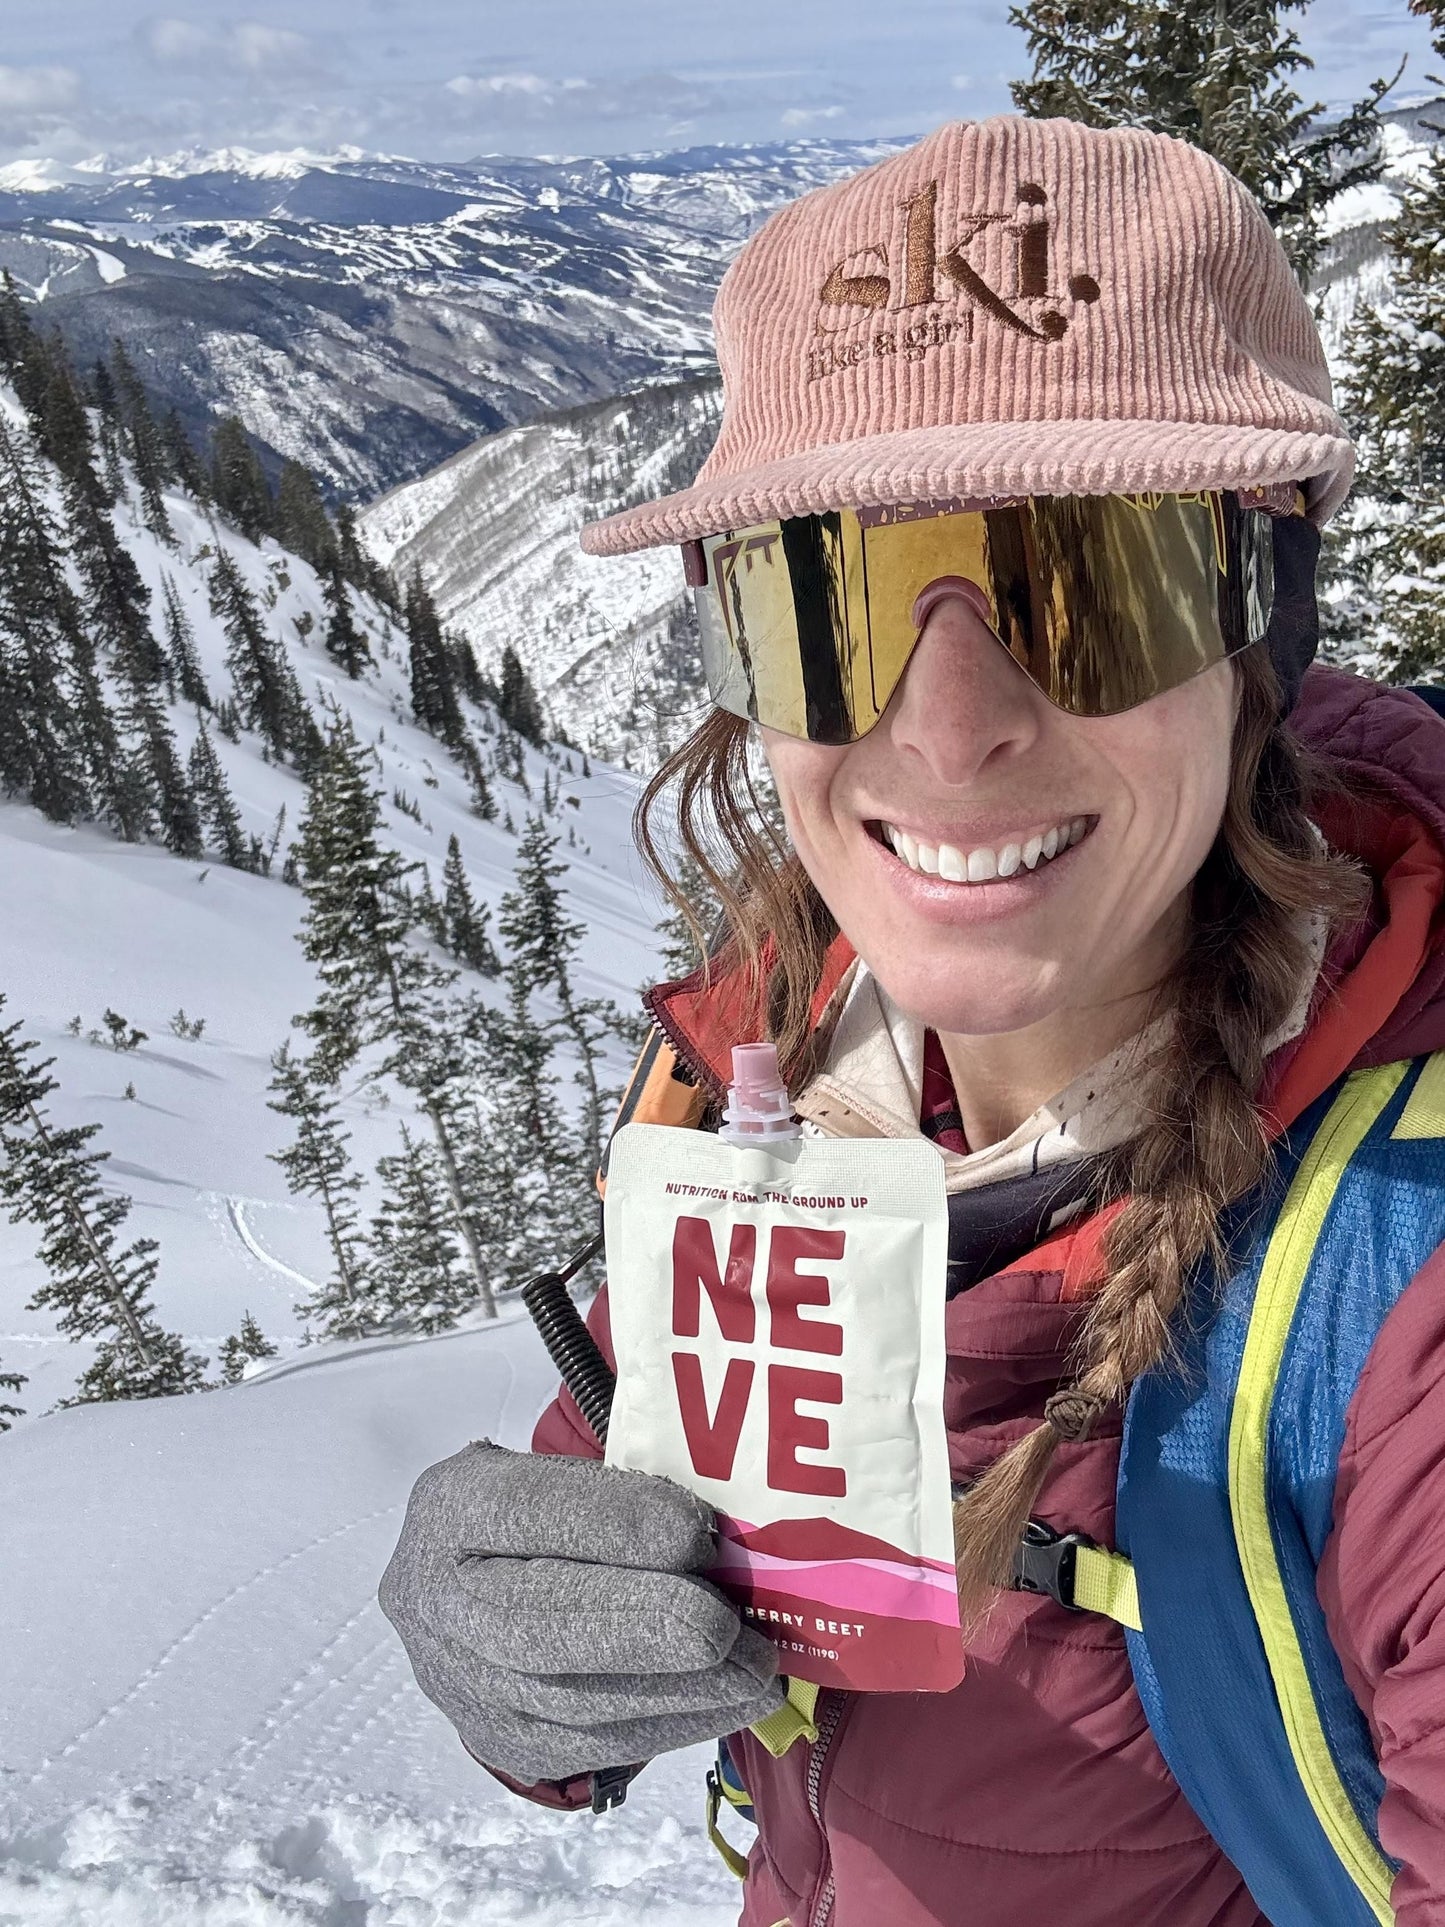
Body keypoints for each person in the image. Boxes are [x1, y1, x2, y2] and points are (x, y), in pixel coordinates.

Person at [378, 116, 1445, 1927]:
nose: (947, 736)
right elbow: (643, 1516)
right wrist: (526, 1654)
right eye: (827, 601)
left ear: (1260, 624)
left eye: (1090, 585)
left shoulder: (1400, 1294)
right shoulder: (772, 1059)